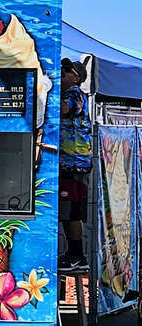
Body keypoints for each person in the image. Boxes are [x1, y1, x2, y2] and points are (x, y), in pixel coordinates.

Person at [59, 58, 91, 269]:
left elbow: (64, 109)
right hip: (73, 163)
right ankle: (74, 253)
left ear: (76, 77)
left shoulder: (74, 93)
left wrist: (46, 91)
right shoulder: (72, 93)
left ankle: (76, 255)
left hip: (73, 163)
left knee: (70, 212)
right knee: (69, 211)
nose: (61, 74)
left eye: (65, 71)